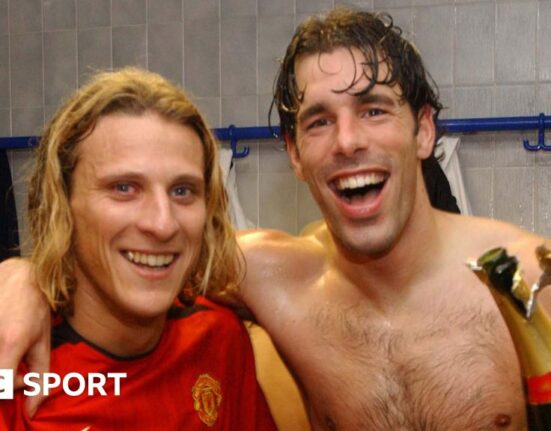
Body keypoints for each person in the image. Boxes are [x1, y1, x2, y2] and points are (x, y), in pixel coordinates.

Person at [0, 7, 549, 430]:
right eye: (317, 122)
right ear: (293, 153)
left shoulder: (526, 281)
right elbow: (127, 263)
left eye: (374, 109)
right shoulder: (268, 276)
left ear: (424, 130)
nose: (348, 141)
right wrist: (19, 278)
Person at [0, 67, 276, 430]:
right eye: (124, 188)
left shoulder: (218, 340)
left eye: (182, 191)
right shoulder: (14, 370)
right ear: (62, 205)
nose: (162, 224)